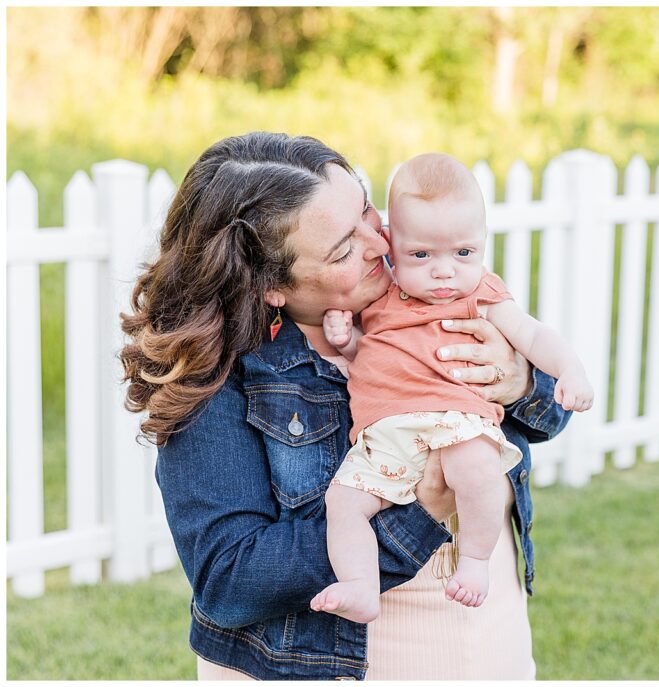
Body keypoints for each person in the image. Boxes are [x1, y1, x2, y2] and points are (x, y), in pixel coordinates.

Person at [120, 132, 570, 680]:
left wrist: (521, 380)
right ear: (271, 288)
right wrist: (419, 510)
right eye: (342, 250)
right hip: (340, 666)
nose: (379, 243)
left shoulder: (431, 287)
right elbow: (228, 577)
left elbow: (551, 414)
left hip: (492, 644)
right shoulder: (221, 376)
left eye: (365, 209)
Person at [309, 153, 592, 622]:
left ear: (482, 244)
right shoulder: (380, 296)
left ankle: (476, 561)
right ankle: (360, 586)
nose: (445, 271)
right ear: (391, 245)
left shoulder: (481, 293)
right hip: (386, 433)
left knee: (476, 469)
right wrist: (347, 341)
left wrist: (570, 371)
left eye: (463, 253)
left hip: (456, 420)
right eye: (421, 255)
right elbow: (375, 357)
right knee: (344, 503)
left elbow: (534, 336)